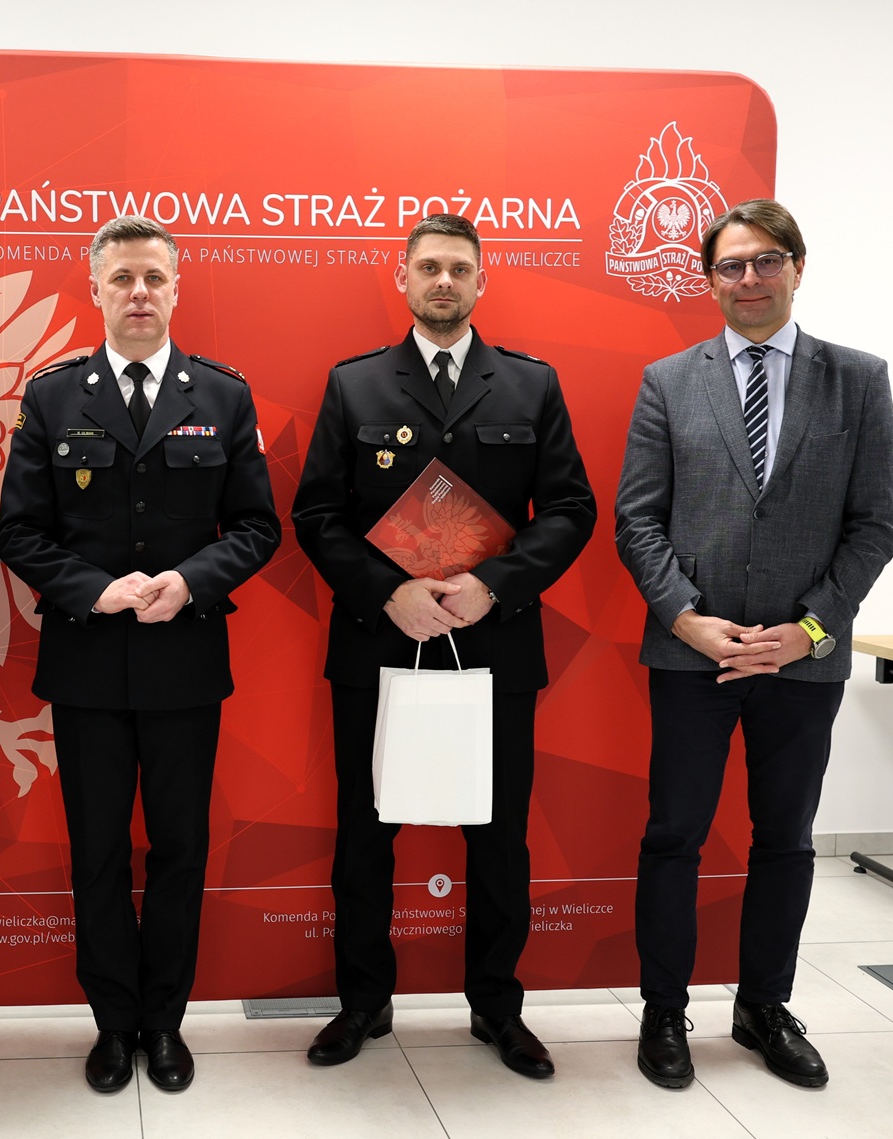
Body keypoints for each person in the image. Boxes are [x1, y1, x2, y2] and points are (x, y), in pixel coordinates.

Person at [292, 213, 595, 1078]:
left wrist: (492, 583)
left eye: (459, 268)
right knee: (365, 833)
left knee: (498, 837)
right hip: (378, 641)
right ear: (402, 278)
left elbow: (570, 509)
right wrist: (387, 591)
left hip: (493, 643)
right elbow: (317, 514)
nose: (443, 281)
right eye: (428, 267)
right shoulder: (354, 384)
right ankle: (362, 1001)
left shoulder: (530, 384)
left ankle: (497, 1006)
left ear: (480, 281)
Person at [615, 199, 893, 1090]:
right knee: (673, 836)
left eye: (766, 260)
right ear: (708, 280)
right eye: (730, 265)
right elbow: (636, 521)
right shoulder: (667, 380)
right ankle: (663, 1010)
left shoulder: (858, 380)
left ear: (796, 268)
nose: (748, 278)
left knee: (785, 839)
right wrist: (685, 618)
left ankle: (763, 1008)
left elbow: (875, 525)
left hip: (801, 661)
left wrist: (807, 630)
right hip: (690, 655)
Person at [0, 216, 279, 1093]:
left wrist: (190, 580)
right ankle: (112, 1024)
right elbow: (19, 531)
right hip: (86, 662)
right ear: (96, 290)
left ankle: (165, 1021)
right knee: (97, 853)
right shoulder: (52, 397)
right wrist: (95, 589)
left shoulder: (221, 395)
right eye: (121, 278)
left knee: (179, 849)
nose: (139, 293)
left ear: (176, 288)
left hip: (184, 661)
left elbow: (257, 526)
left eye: (153, 277)